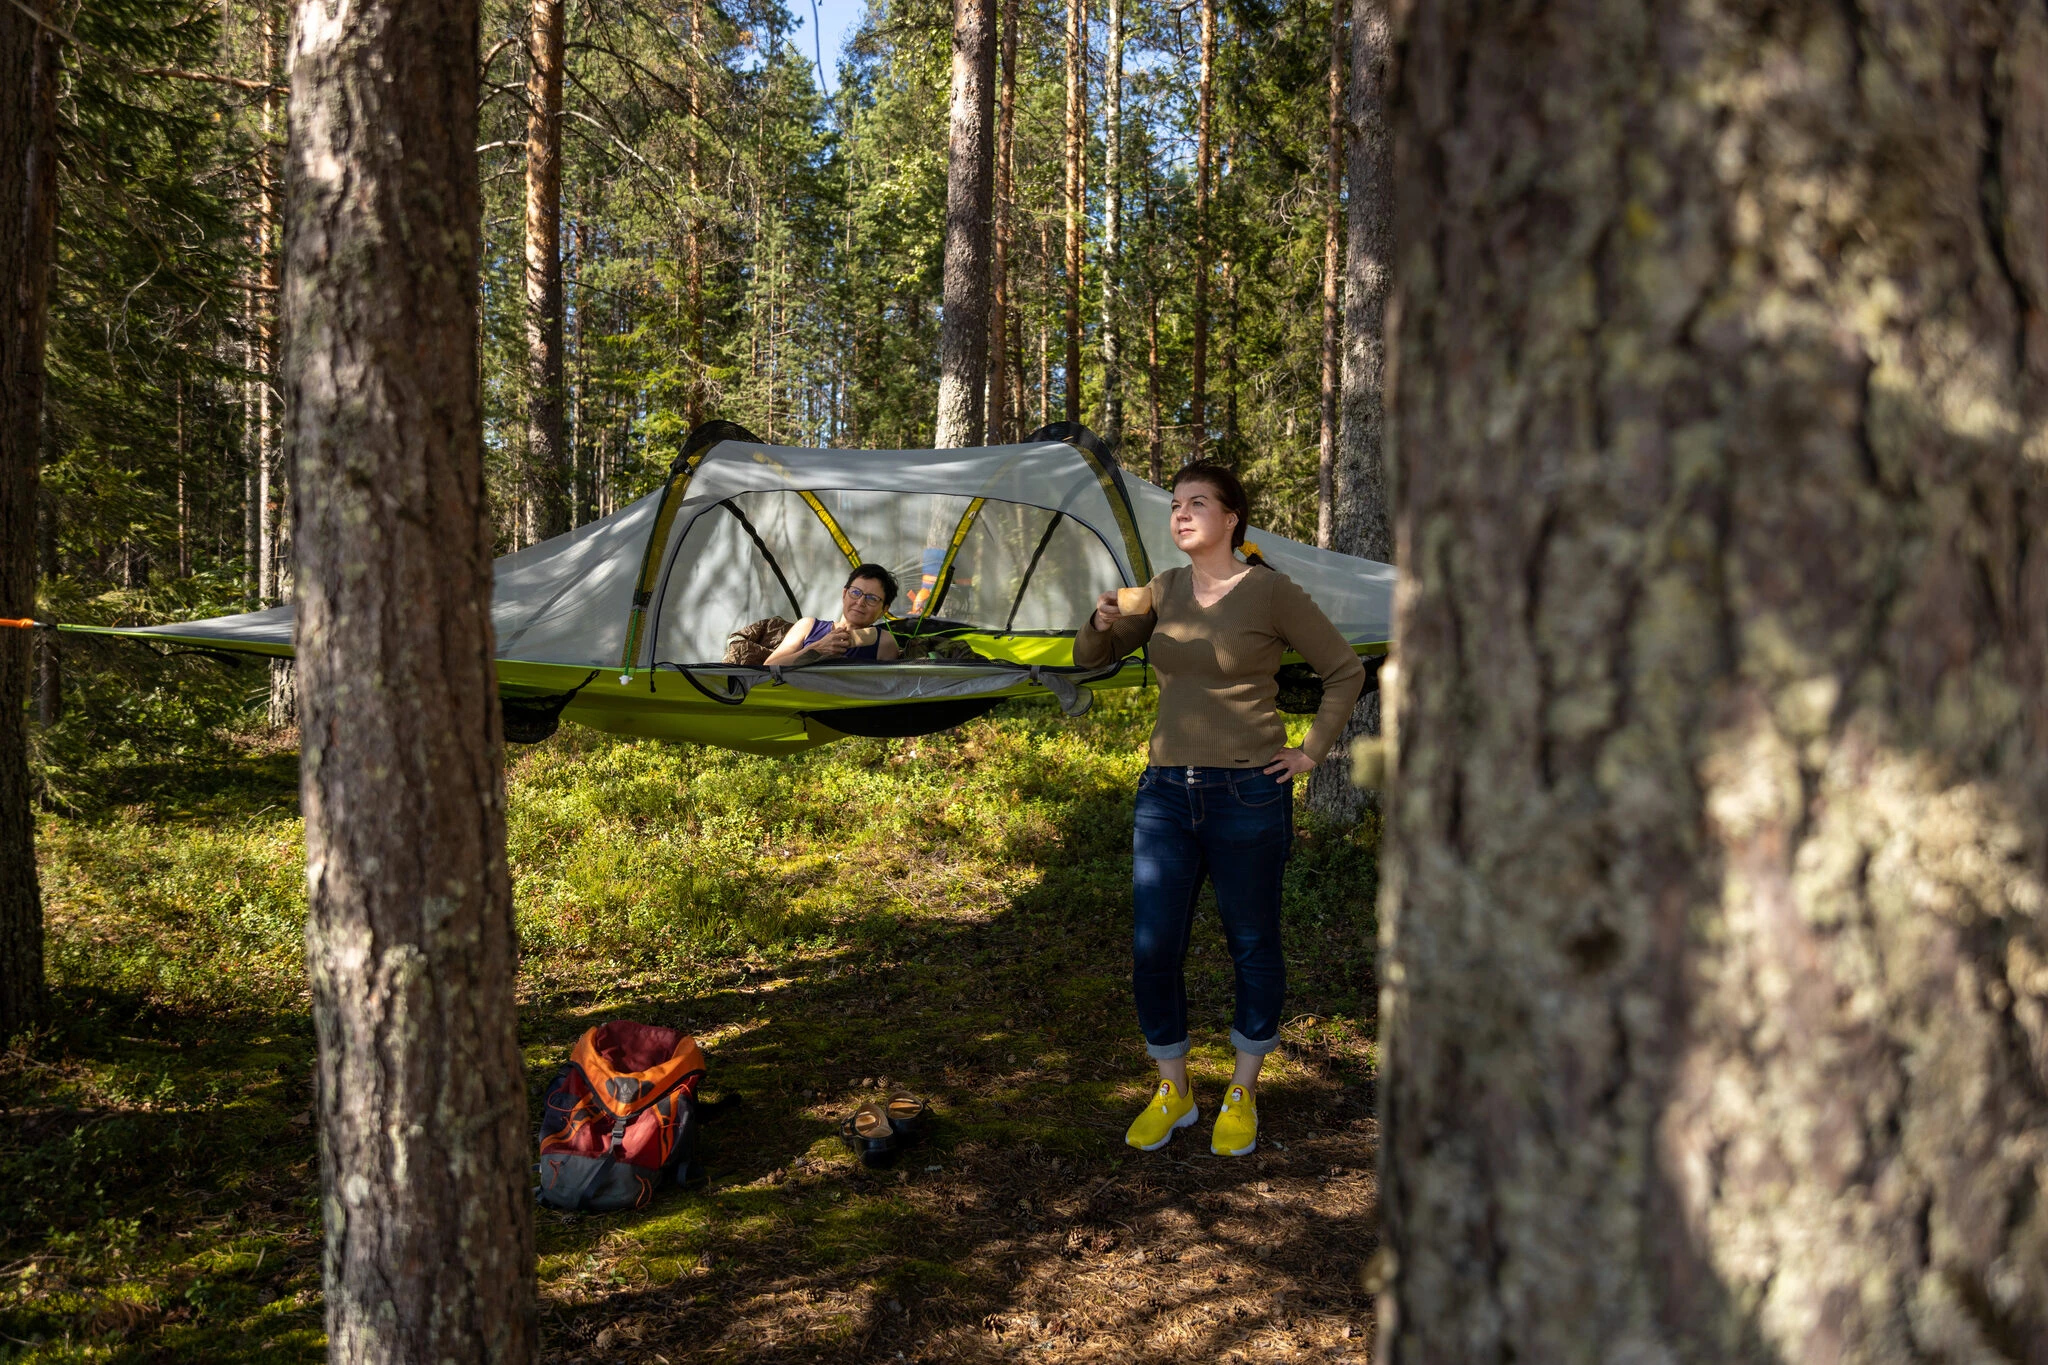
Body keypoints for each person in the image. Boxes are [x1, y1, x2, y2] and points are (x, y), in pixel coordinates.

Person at [1075, 463, 1366, 1157]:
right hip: (1166, 796)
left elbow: (1345, 669)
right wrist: (1100, 618)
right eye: (1175, 504)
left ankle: (1244, 1088)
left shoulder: (1268, 591)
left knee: (1253, 942)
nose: (1180, 513)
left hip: (1249, 795)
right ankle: (1173, 1089)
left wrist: (1311, 751)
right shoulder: (1162, 590)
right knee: (1154, 948)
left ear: (1232, 517)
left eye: (1197, 503)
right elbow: (1090, 657)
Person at [762, 564, 904, 665]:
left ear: (884, 610)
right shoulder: (808, 626)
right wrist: (817, 649)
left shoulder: (884, 642)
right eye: (855, 592)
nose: (860, 602)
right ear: (844, 594)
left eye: (872, 598)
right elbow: (769, 667)